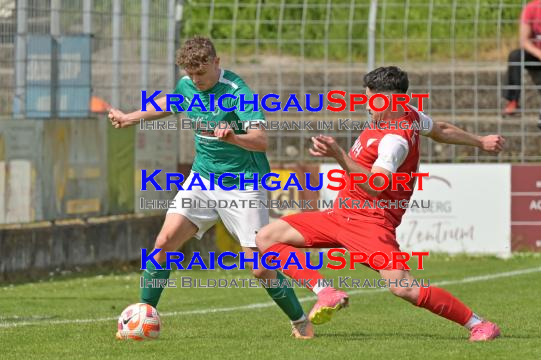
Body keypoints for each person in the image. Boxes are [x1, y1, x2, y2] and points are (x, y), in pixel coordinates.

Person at [256, 66, 506, 342]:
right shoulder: (409, 113)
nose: (366, 105)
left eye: (371, 100)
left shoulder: (394, 141)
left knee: (404, 288)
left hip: (369, 223)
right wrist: (480, 141)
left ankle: (479, 324)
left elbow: (376, 187)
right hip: (339, 215)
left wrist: (339, 154)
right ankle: (326, 292)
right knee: (266, 238)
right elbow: (441, 129)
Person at [108, 36, 313, 339]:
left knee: (259, 267)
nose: (196, 81)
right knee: (164, 242)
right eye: (191, 75)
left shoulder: (238, 93)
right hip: (203, 179)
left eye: (201, 74)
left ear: (217, 63)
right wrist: (130, 117)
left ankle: (300, 322)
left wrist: (233, 137)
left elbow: (261, 140)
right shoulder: (188, 85)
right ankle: (143, 316)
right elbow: (171, 102)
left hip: (242, 185)